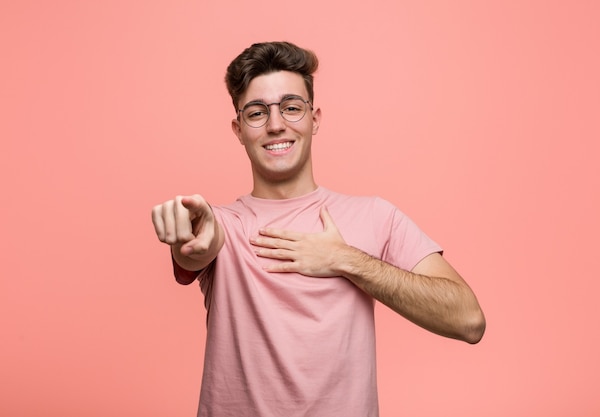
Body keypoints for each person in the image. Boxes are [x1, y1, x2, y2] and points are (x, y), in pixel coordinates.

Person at [151, 41, 485, 417]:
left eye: (292, 108)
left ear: (315, 118)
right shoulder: (224, 225)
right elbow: (198, 246)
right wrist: (192, 237)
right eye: (257, 113)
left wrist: (347, 260)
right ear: (238, 129)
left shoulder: (375, 216)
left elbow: (469, 321)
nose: (276, 124)